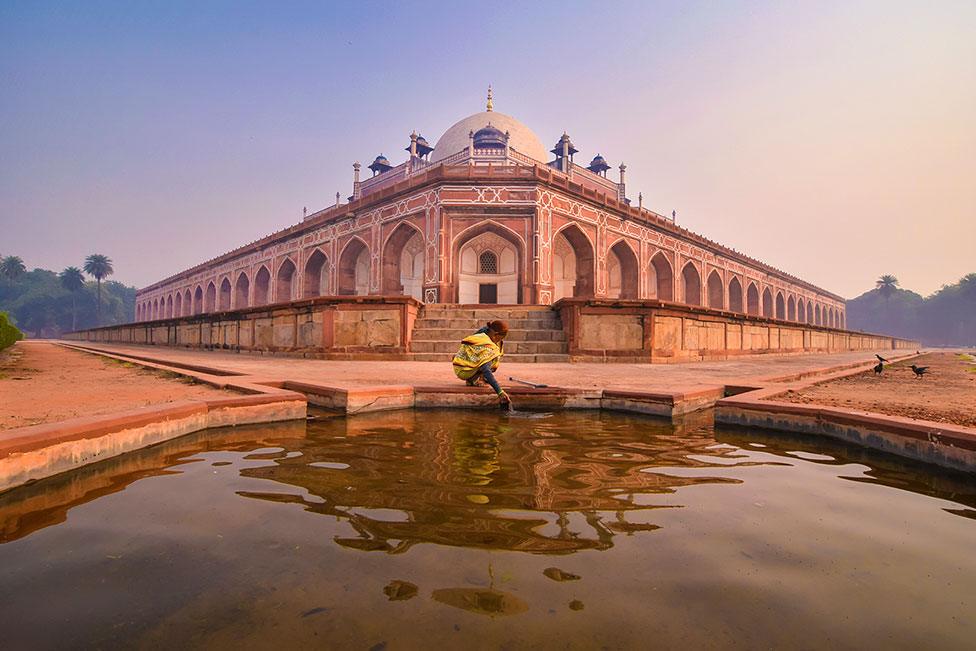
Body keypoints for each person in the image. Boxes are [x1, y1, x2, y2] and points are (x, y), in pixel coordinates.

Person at [452, 320, 511, 406]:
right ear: (496, 335)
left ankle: (474, 379)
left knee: (492, 357)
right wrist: (500, 392)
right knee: (492, 359)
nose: (500, 341)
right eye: (500, 338)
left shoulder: (484, 332)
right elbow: (486, 369)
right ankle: (474, 379)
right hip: (464, 370)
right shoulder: (486, 344)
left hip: (461, 366)